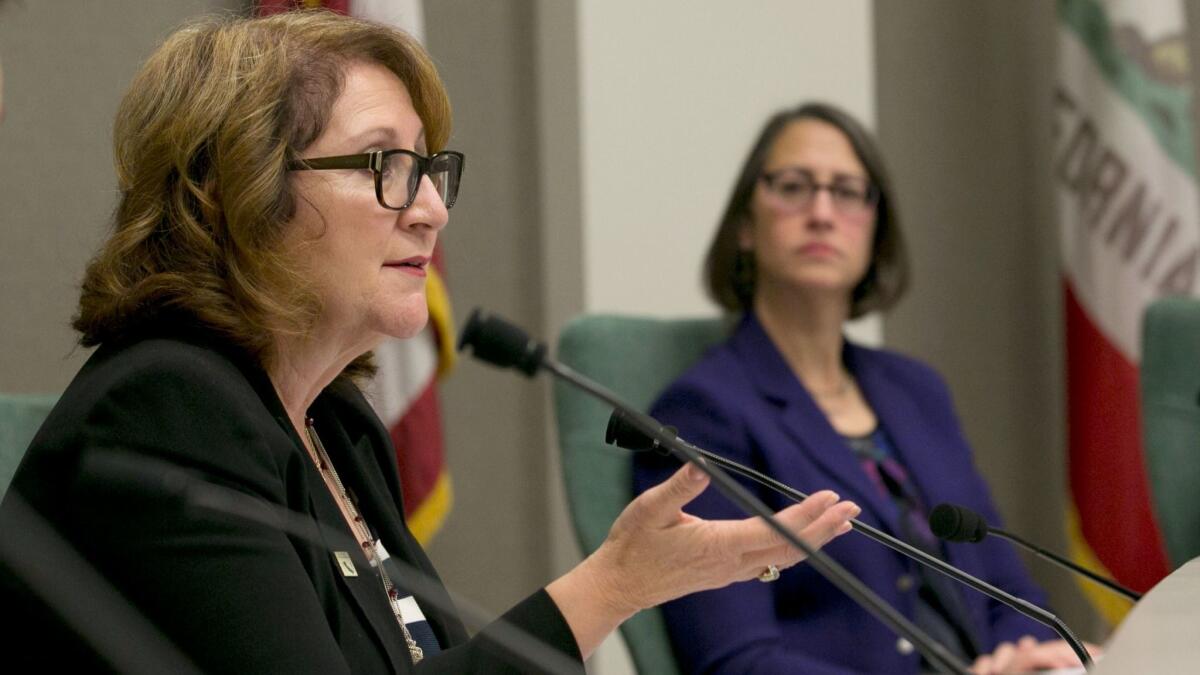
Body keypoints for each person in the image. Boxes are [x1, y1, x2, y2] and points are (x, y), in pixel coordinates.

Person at [0, 14, 861, 674]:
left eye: (427, 167)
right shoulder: (165, 410)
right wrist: (612, 586)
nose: (430, 210)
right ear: (236, 191)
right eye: (383, 165)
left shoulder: (335, 422)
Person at [633, 102, 1095, 674]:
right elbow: (738, 663)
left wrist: (1044, 658)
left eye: (848, 191)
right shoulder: (706, 413)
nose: (822, 212)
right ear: (746, 226)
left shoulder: (916, 390)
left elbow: (1007, 592)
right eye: (794, 186)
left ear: (876, 229)